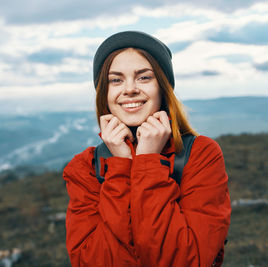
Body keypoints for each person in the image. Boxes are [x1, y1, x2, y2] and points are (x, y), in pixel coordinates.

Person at [63, 31, 231, 267]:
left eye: (144, 77)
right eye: (116, 80)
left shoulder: (201, 155)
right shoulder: (85, 168)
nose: (129, 89)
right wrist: (121, 167)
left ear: (162, 87)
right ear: (105, 92)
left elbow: (184, 261)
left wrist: (148, 161)